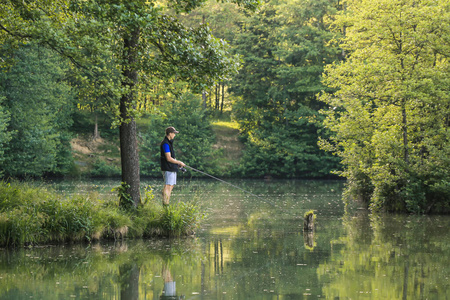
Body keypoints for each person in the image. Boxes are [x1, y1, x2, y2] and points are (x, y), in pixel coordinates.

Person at [160, 126, 185, 206]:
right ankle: (165, 205)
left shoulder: (169, 143)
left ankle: (166, 203)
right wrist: (179, 162)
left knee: (171, 186)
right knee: (168, 186)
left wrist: (177, 163)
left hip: (172, 167)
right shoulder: (165, 144)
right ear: (170, 134)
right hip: (168, 167)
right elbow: (168, 158)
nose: (174, 135)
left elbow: (172, 157)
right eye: (174, 133)